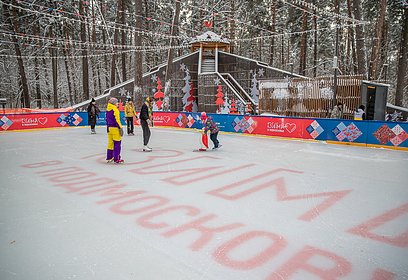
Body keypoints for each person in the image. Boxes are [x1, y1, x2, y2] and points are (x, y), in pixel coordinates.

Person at [106, 97, 124, 164]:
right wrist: (120, 128)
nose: (118, 104)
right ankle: (116, 158)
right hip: (115, 129)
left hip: (110, 128)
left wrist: (108, 127)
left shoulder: (108, 109)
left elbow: (107, 120)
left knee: (110, 143)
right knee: (117, 143)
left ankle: (109, 157)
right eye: (117, 103)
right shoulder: (115, 109)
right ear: (114, 103)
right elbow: (117, 120)